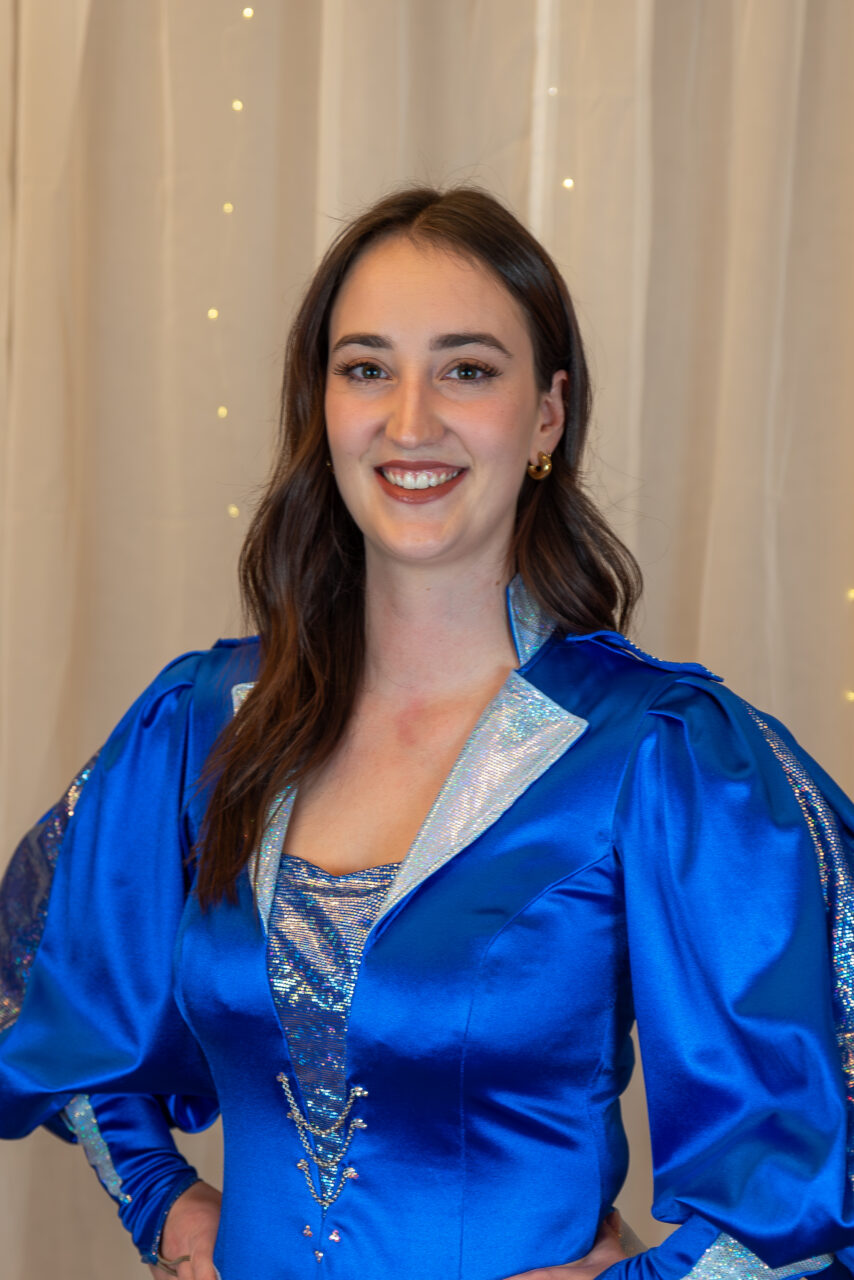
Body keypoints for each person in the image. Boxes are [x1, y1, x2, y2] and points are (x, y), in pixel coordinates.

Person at [1, 184, 853, 1280]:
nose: (409, 422)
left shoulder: (659, 754)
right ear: (321, 406)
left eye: (467, 369)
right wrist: (161, 1198)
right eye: (366, 369)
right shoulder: (202, 723)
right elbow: (52, 986)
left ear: (546, 415)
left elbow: (792, 1176)